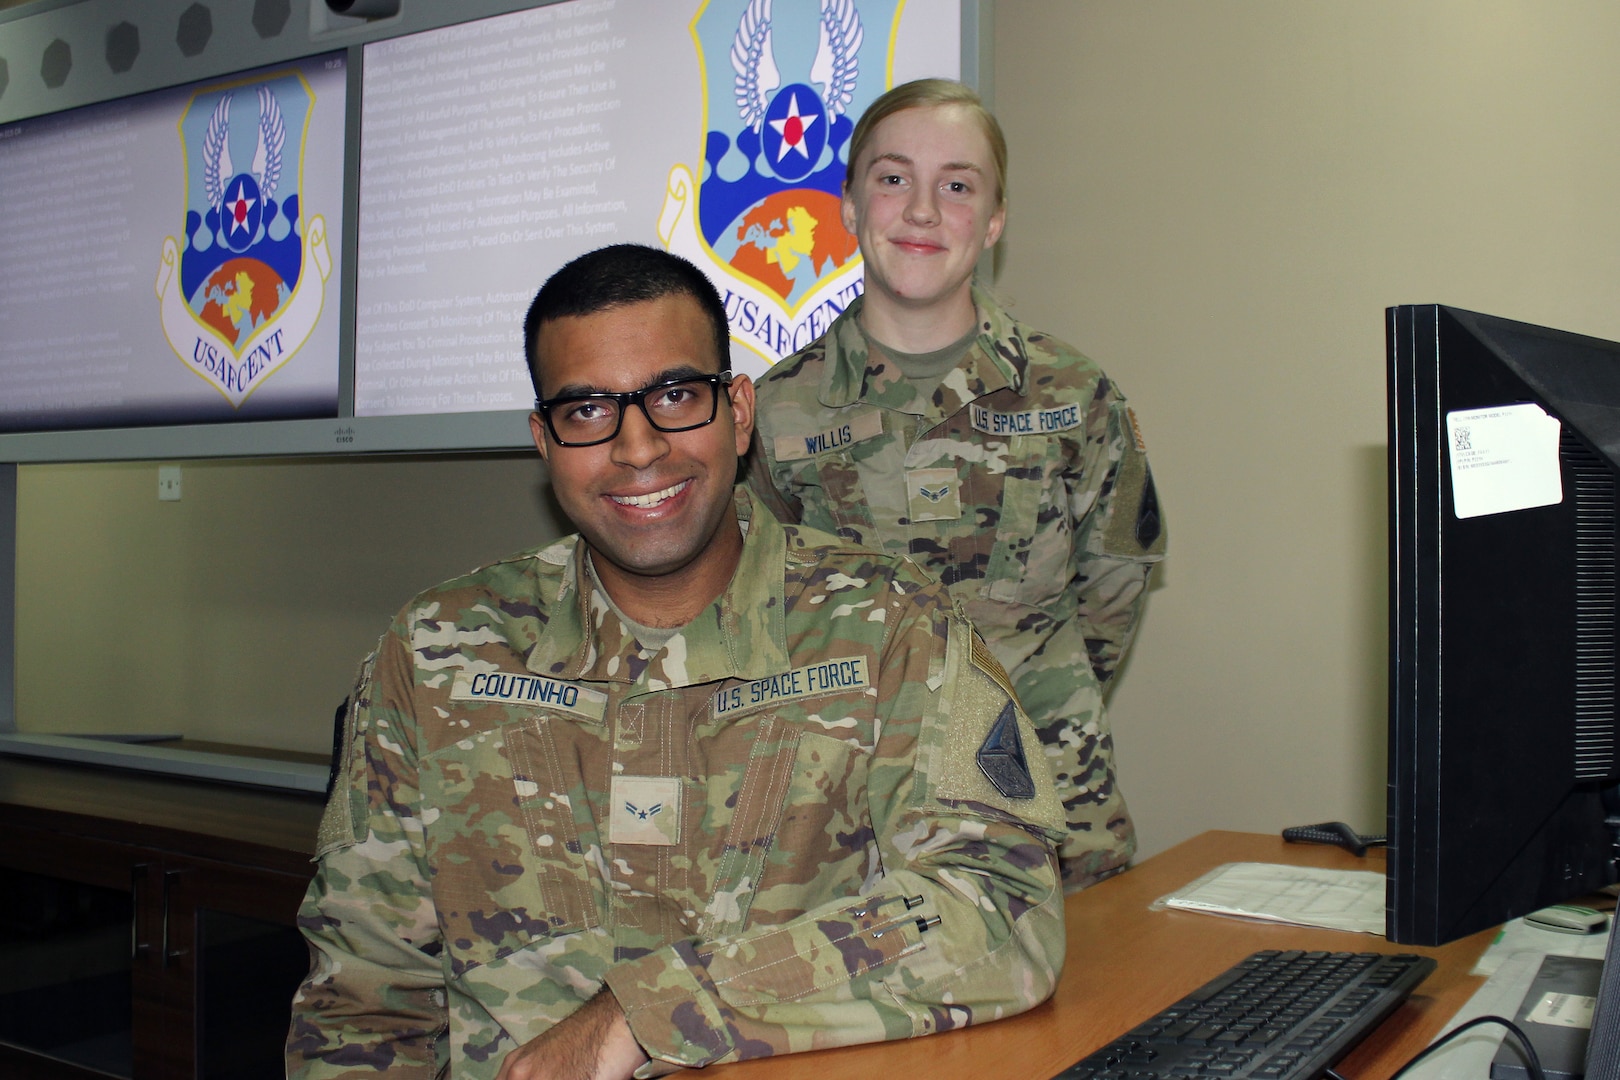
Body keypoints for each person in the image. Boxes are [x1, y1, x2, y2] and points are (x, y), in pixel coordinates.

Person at [287, 244, 1066, 1080]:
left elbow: (1001, 906)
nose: (637, 448)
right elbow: (363, 1012)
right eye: (587, 411)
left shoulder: (887, 628)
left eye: (674, 396)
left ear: (737, 411)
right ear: (543, 440)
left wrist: (653, 1009)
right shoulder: (434, 654)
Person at [748, 80, 1166, 892]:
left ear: (996, 218)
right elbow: (758, 611)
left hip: (1048, 803)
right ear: (848, 204)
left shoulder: (1073, 393)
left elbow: (1113, 589)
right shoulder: (774, 411)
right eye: (893, 177)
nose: (923, 211)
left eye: (958, 185)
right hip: (847, 824)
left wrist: (1026, 692)